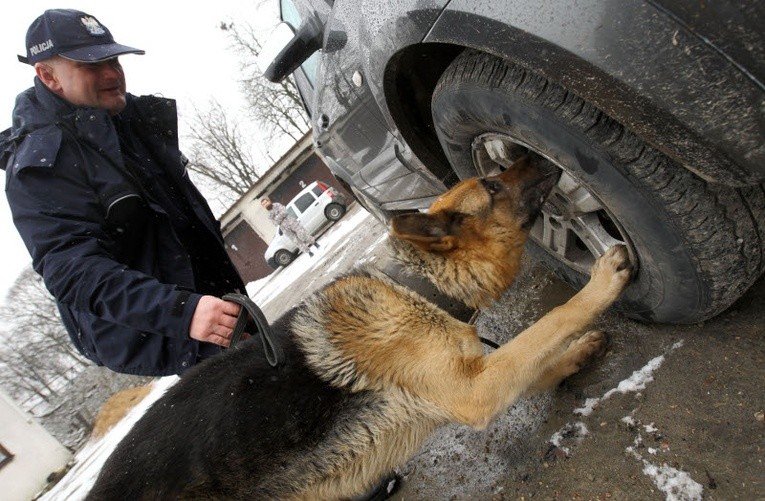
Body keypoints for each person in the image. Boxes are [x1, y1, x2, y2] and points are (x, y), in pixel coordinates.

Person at [0, 9, 249, 376]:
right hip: (172, 327)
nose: (112, 74)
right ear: (48, 76)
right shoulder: (39, 163)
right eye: (91, 65)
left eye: (113, 59)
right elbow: (71, 270)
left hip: (216, 303)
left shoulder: (127, 119)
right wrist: (180, 311)